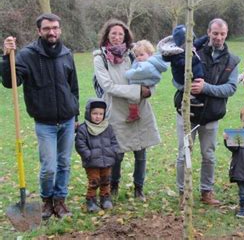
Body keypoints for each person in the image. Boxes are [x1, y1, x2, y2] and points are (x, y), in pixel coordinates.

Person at [2, 13, 79, 219]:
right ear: (39, 31)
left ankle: (60, 201)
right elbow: (11, 82)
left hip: (68, 120)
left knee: (64, 163)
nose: (51, 32)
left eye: (55, 28)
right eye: (46, 28)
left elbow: (73, 87)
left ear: (60, 29)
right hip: (44, 122)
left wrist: (76, 114)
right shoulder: (27, 55)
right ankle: (46, 201)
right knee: (49, 168)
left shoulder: (66, 53)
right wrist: (6, 56)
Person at [93, 19, 161, 202]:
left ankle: (139, 189)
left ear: (126, 36)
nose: (116, 37)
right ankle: (113, 186)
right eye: (113, 33)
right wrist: (137, 91)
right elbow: (108, 86)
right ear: (107, 35)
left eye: (120, 34)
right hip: (116, 110)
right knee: (117, 152)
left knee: (140, 151)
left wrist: (148, 92)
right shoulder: (100, 58)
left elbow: (150, 75)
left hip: (139, 109)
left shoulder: (134, 54)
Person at [174, 18, 239, 205]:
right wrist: (186, 87)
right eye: (215, 33)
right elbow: (175, 79)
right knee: (183, 154)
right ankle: (183, 193)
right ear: (208, 32)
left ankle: (206, 192)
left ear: (226, 34)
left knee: (209, 155)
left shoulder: (232, 60)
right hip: (187, 112)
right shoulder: (193, 51)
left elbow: (231, 88)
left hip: (211, 115)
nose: (218, 37)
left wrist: (206, 88)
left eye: (222, 34)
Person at [75, 98, 120, 212]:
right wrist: (88, 154)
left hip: (107, 160)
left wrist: (113, 152)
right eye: (95, 113)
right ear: (89, 113)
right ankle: (91, 199)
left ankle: (105, 198)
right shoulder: (84, 129)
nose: (98, 116)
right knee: (94, 181)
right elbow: (80, 144)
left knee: (106, 180)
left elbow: (114, 142)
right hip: (92, 162)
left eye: (101, 114)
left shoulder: (108, 127)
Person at [159, 24, 205, 107]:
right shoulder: (176, 53)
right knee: (189, 88)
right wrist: (195, 59)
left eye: (192, 40)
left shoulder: (188, 47)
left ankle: (193, 96)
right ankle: (189, 98)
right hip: (181, 78)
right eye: (188, 41)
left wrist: (206, 37)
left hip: (191, 76)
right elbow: (182, 64)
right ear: (182, 42)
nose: (191, 43)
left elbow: (197, 43)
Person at [125, 40, 169, 122]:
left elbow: (138, 73)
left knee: (132, 99)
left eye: (141, 55)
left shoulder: (147, 64)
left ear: (150, 54)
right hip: (145, 84)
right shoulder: (147, 62)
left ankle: (134, 114)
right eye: (137, 56)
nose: (139, 57)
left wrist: (127, 74)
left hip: (143, 83)